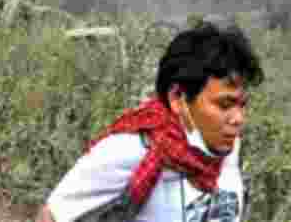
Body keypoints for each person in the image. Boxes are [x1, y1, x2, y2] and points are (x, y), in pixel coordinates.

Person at [36, 21, 264, 222]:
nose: (238, 119)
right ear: (178, 97)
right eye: (224, 105)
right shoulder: (132, 148)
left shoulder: (228, 149)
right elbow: (52, 214)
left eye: (242, 105)